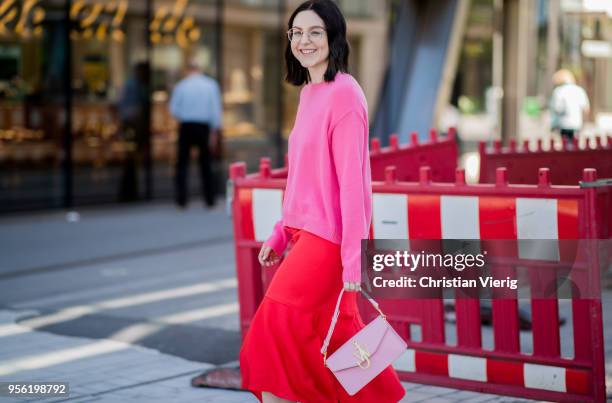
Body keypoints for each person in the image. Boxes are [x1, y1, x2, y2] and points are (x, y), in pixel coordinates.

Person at [239, 1, 405, 402]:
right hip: (307, 234)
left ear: (334, 37)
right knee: (330, 343)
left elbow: (352, 184)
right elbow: (303, 177)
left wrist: (353, 260)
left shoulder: (345, 94)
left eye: (315, 32)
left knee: (271, 338)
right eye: (296, 32)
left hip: (329, 243)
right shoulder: (310, 93)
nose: (304, 41)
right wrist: (280, 233)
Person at [169, 58, 222, 208]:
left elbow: (173, 109)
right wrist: (214, 132)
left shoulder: (181, 86)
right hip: (203, 127)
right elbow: (215, 110)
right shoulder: (210, 85)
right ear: (200, 69)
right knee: (205, 164)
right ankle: (209, 200)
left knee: (182, 165)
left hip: (186, 126)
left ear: (188, 70)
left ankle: (181, 201)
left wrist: (184, 115)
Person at [549, 69, 590, 141]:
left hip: (563, 124)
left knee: (565, 145)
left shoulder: (559, 91)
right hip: (577, 123)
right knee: (575, 145)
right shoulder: (579, 90)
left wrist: (553, 124)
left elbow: (556, 109)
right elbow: (586, 108)